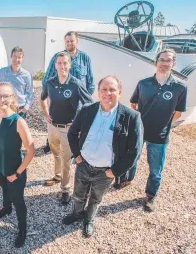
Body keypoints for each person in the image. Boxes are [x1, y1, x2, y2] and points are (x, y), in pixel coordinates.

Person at [63, 76, 143, 237]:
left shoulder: (131, 117)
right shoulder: (87, 110)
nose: (108, 93)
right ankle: (77, 213)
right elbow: (72, 133)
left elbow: (134, 150)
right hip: (83, 164)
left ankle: (89, 219)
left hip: (106, 171)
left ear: (119, 93)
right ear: (98, 93)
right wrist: (77, 155)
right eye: (104, 90)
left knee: (96, 198)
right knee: (78, 194)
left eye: (112, 89)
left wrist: (115, 171)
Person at [129, 48, 187, 212]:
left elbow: (178, 113)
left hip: (160, 136)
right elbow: (133, 104)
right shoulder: (143, 83)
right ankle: (126, 180)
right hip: (139, 131)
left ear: (173, 63)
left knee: (155, 169)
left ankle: (150, 195)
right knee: (132, 158)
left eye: (168, 60)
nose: (164, 63)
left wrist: (164, 124)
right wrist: (138, 121)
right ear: (156, 62)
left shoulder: (179, 88)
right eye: (161, 60)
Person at [0, 82, 35, 248]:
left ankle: (22, 230)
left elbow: (31, 151)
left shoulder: (18, 121)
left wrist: (18, 173)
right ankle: (6, 208)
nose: (1, 99)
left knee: (18, 200)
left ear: (13, 98)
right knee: (5, 189)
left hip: (14, 169)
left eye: (6, 96)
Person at [40, 51, 93, 205]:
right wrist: (46, 114)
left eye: (65, 63)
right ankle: (57, 176)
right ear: (55, 65)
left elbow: (89, 104)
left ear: (69, 65)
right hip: (52, 127)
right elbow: (42, 98)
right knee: (55, 153)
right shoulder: (50, 82)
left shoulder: (76, 83)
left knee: (66, 161)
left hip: (68, 130)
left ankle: (65, 189)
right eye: (59, 63)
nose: (62, 66)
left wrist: (77, 121)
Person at [42, 31, 95, 153]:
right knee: (55, 125)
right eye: (67, 41)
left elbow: (90, 81)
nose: (69, 43)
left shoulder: (85, 58)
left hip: (78, 104)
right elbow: (46, 80)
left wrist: (84, 97)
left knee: (76, 128)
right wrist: (52, 95)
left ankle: (75, 150)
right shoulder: (57, 57)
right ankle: (51, 144)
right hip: (59, 101)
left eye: (72, 41)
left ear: (77, 41)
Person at [0, 46, 34, 119]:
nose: (17, 59)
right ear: (11, 56)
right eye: (15, 56)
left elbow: (30, 93)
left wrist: (26, 108)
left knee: (19, 130)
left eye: (19, 57)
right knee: (4, 130)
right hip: (4, 108)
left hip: (20, 110)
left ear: (22, 58)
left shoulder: (26, 75)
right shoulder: (2, 72)